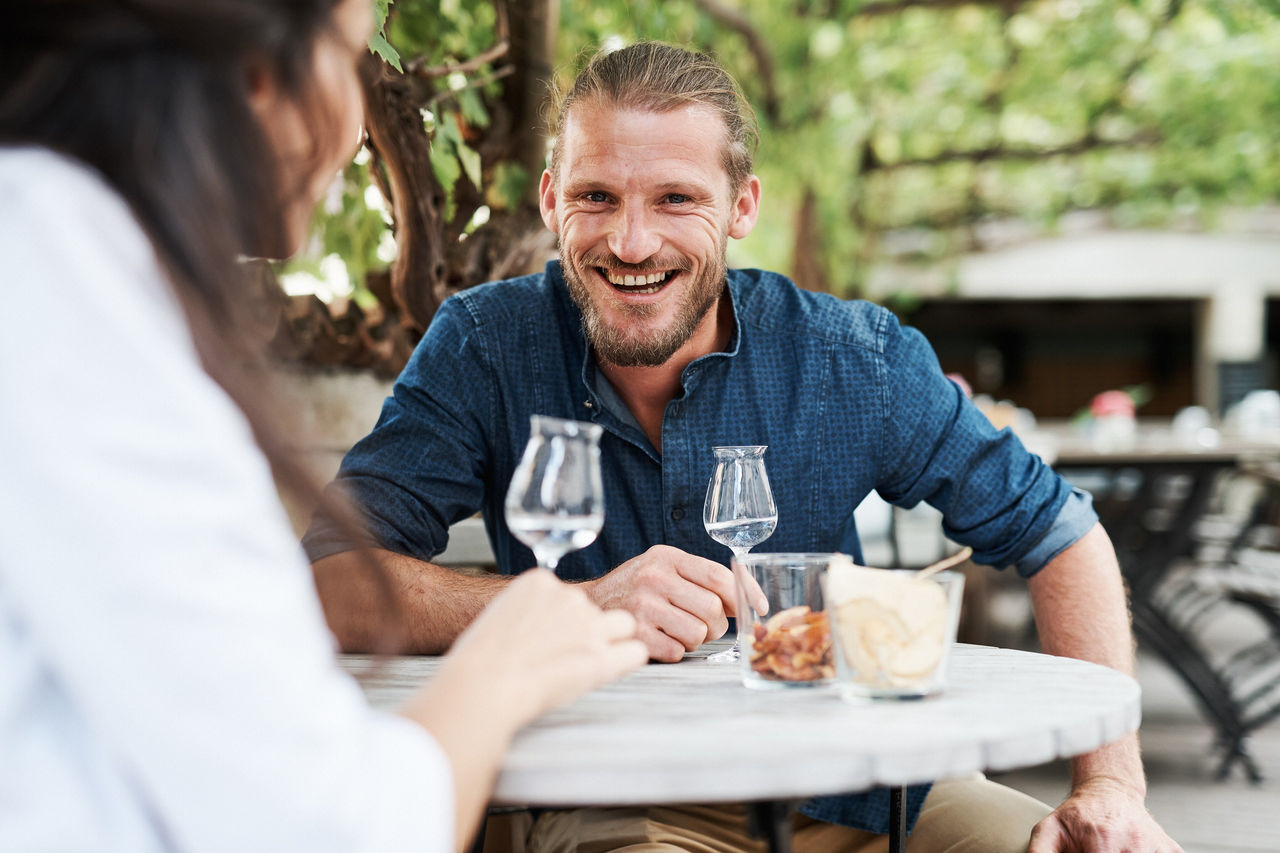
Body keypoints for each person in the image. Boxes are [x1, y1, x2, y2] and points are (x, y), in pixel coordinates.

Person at [304, 42, 1183, 852]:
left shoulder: (852, 355)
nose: (631, 241)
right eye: (596, 196)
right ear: (549, 201)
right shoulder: (485, 346)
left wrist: (1109, 782)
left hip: (859, 784)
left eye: (676, 198)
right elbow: (328, 579)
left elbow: (1060, 533)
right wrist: (580, 609)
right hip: (611, 789)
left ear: (742, 207)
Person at [0, 2, 647, 852]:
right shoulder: (63, 296)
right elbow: (336, 829)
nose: (355, 134)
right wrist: (505, 661)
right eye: (348, 61)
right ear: (259, 74)